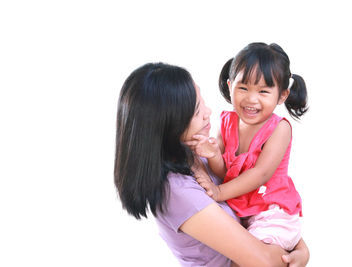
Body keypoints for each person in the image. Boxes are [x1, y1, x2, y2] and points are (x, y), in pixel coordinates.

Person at [114, 62, 309, 266]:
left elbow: (256, 205)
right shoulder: (178, 192)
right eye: (197, 111)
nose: (208, 112)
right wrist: (295, 255)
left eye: (202, 100)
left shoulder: (199, 154)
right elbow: (266, 263)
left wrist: (301, 248)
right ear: (169, 123)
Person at [187, 42, 307, 251]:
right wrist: (214, 155)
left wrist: (218, 192)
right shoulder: (226, 122)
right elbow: (225, 172)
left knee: (245, 258)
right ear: (230, 85)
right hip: (244, 212)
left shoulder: (279, 129)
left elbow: (260, 174)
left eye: (263, 91)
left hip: (272, 212)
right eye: (243, 88)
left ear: (282, 96)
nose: (251, 99)